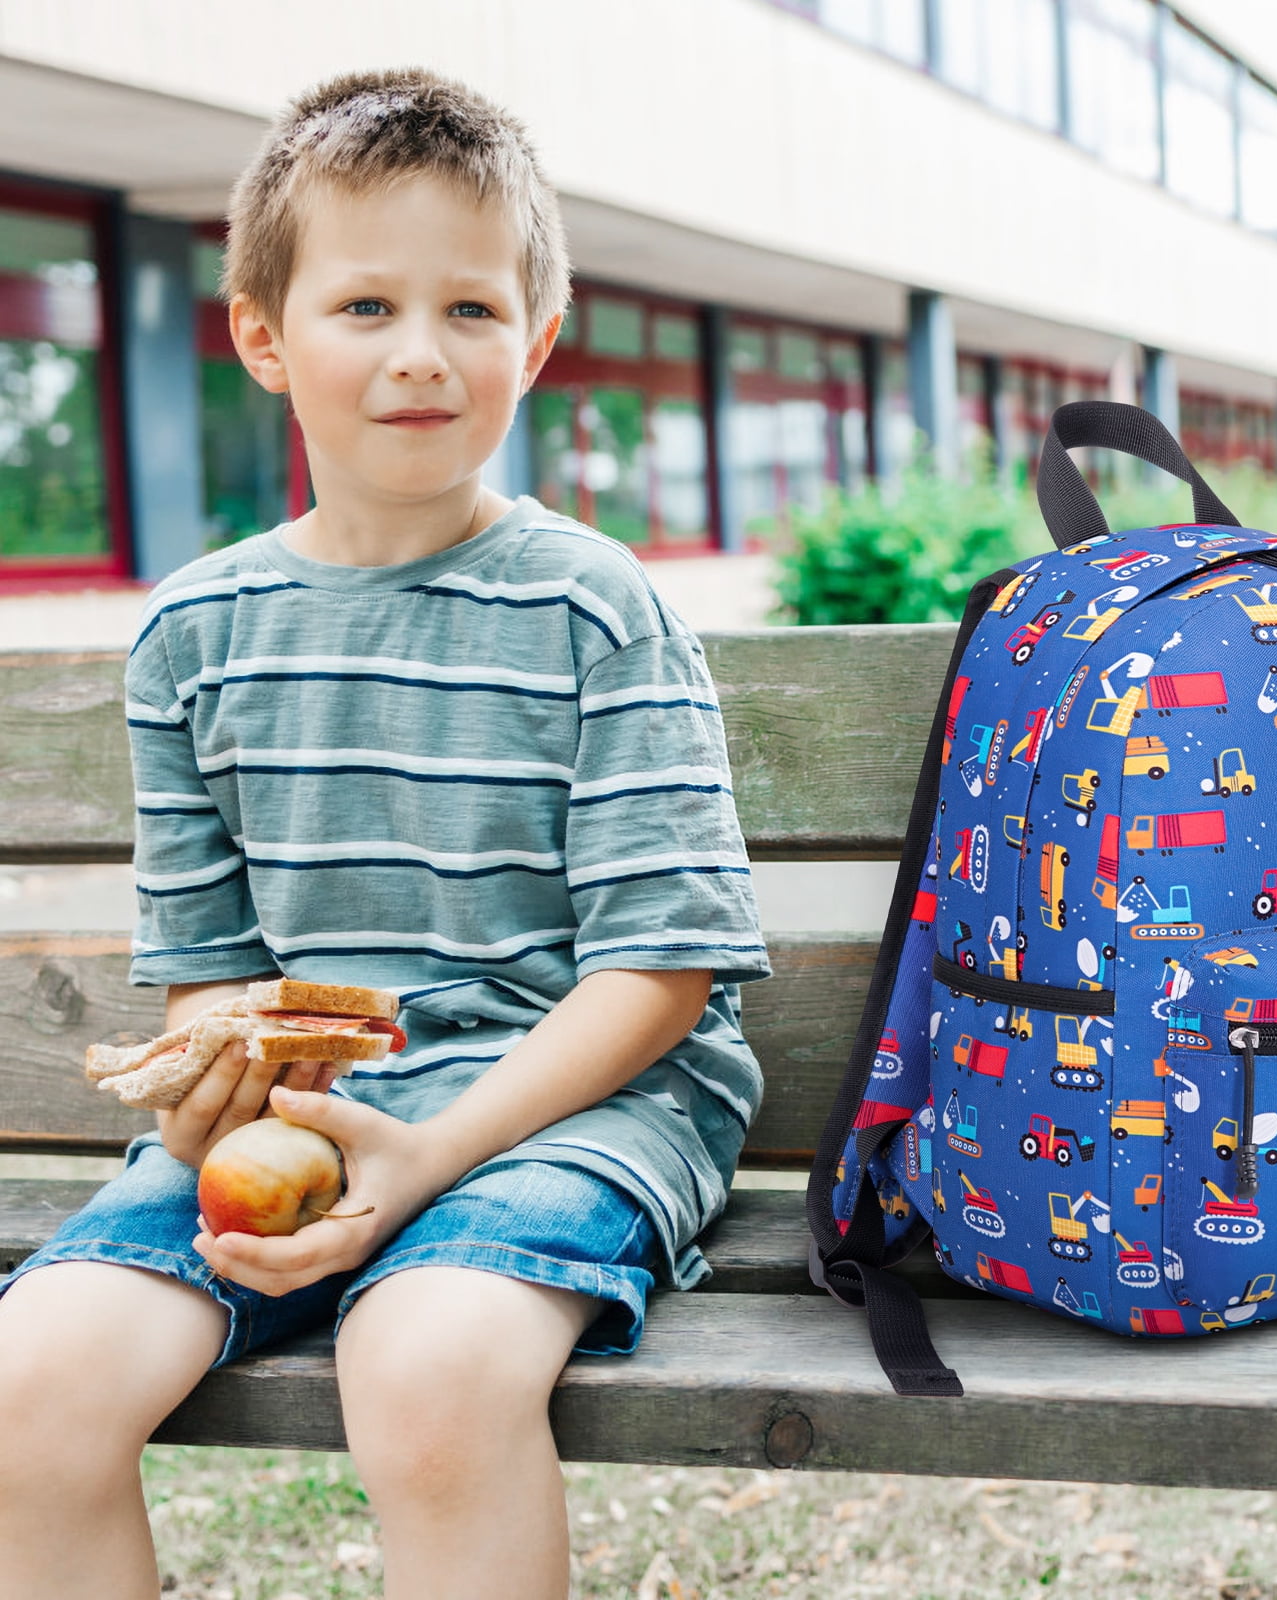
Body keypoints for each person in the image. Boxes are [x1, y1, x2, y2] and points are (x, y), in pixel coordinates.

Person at [0, 67, 768, 1600]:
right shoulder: (197, 636)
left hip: (578, 1101)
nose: (422, 355)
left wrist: (420, 1159)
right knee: (26, 1396)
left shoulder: (591, 607)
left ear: (535, 343)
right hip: (324, 1109)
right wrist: (219, 1093)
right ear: (265, 338)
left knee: (428, 1379)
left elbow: (660, 976)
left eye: (472, 312)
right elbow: (213, 980)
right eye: (365, 308)